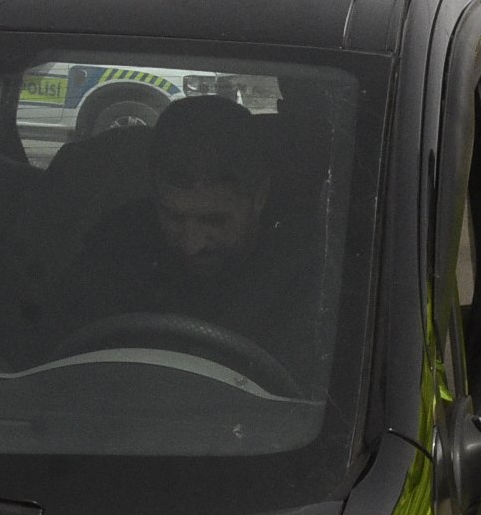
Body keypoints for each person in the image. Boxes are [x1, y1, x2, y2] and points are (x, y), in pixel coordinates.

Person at [63, 94, 319, 379]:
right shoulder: (117, 245)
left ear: (259, 196)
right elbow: (60, 347)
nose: (191, 244)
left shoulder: (305, 268)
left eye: (214, 220)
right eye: (173, 217)